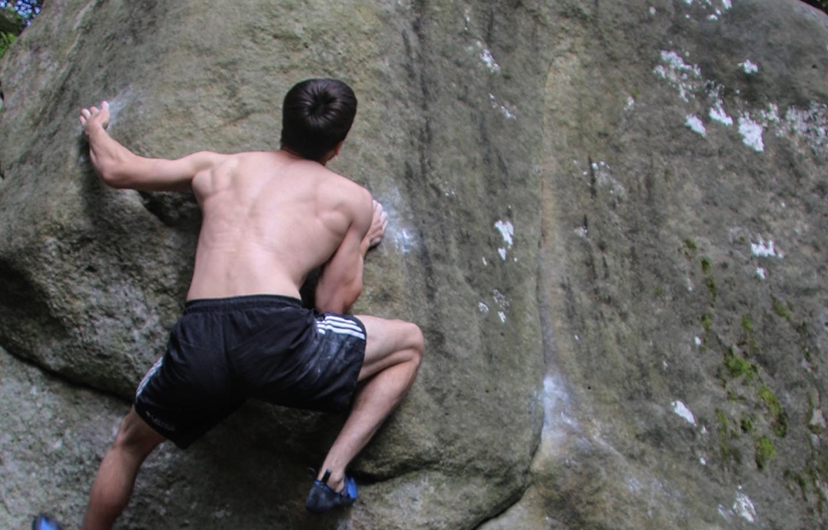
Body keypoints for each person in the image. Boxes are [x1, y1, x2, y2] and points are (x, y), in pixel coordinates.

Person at [33, 78, 423, 530]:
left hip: (200, 341)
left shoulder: (217, 169)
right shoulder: (349, 199)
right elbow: (330, 306)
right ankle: (332, 475)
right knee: (409, 344)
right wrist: (358, 244)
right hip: (277, 340)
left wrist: (97, 129)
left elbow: (117, 171)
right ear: (338, 146)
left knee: (128, 444)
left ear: (283, 124)